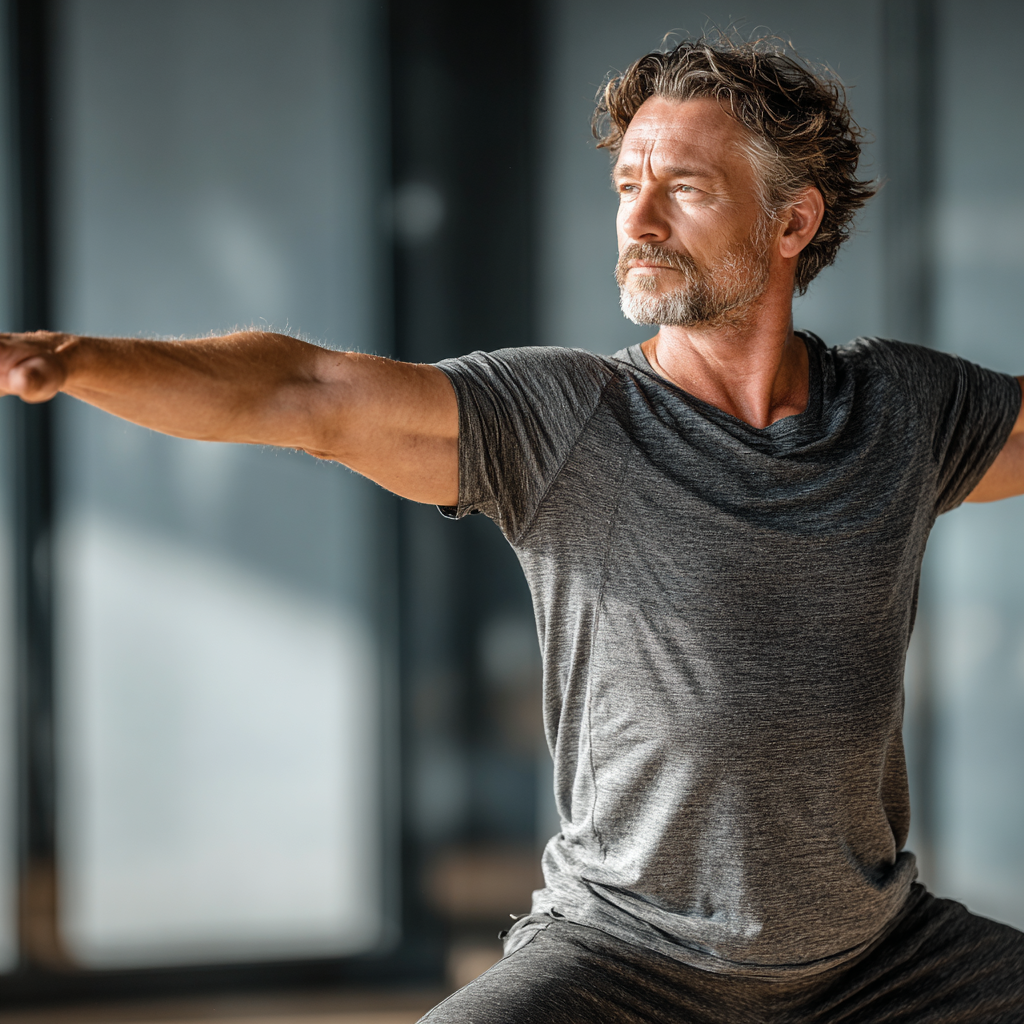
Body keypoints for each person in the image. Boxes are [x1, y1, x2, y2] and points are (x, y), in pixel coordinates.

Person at [2, 33, 1023, 1022]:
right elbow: (308, 392)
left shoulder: (899, 412)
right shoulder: (563, 419)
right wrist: (75, 357)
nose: (640, 220)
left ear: (793, 224)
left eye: (687, 189)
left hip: (881, 966)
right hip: (628, 962)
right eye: (628, 184)